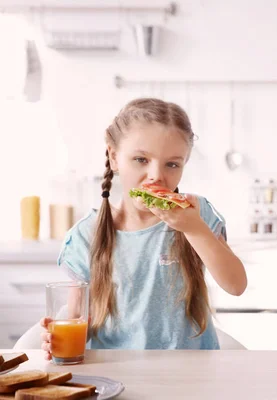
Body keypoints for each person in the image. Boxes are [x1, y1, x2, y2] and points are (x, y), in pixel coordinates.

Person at [40, 98, 247, 358]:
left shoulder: (196, 213)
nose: (156, 176)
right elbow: (75, 317)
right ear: (114, 157)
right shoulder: (86, 235)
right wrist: (56, 340)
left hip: (193, 374)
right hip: (118, 375)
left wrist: (195, 229)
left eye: (172, 164)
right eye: (140, 159)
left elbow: (236, 285)